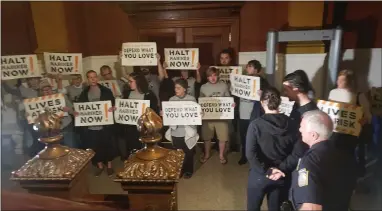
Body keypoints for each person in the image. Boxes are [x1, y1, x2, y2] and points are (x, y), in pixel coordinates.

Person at [270, 110, 357, 211]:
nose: (300, 129)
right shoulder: (344, 155)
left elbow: (311, 208)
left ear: (313, 135)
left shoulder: (309, 162)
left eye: (302, 127)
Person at [246, 87, 296, 211]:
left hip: (259, 175)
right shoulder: (292, 124)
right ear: (280, 102)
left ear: (262, 103)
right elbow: (296, 153)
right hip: (282, 175)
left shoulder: (255, 125)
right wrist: (280, 170)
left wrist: (267, 171)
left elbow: (250, 154)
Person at [328, 69, 372, 178]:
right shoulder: (333, 93)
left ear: (350, 82)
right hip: (335, 132)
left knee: (351, 158)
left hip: (352, 136)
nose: (339, 82)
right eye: (338, 79)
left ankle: (354, 180)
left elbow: (368, 116)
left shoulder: (359, 96)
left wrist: (363, 120)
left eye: (342, 80)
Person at [76, 70, 116, 177]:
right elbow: (80, 107)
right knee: (95, 146)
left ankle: (109, 166)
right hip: (91, 126)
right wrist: (77, 112)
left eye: (94, 77)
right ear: (87, 79)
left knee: (107, 144)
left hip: (105, 125)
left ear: (97, 78)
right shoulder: (84, 93)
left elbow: (113, 103)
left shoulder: (106, 91)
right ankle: (100, 166)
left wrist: (113, 108)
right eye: (90, 77)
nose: (93, 79)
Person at [164, 79, 199, 179]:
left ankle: (188, 170)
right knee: (178, 153)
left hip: (187, 131)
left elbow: (195, 114)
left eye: (178, 88)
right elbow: (169, 115)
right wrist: (165, 114)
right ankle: (180, 170)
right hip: (176, 131)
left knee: (188, 153)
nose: (176, 90)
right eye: (175, 87)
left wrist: (199, 113)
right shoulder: (171, 100)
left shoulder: (191, 99)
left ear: (184, 89)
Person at [120, 72, 159, 160]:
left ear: (138, 82)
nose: (129, 83)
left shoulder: (149, 95)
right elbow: (122, 109)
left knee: (144, 152)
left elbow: (154, 112)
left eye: (131, 81)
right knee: (132, 151)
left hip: (144, 130)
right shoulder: (126, 94)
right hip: (130, 129)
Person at [238, 60, 270, 165]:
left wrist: (263, 94)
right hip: (242, 113)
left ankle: (256, 157)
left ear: (256, 69)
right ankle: (244, 155)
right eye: (247, 66)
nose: (247, 68)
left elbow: (269, 97)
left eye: (250, 66)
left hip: (255, 114)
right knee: (243, 136)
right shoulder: (241, 80)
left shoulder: (263, 82)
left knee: (255, 136)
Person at [199, 67, 231, 164]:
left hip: (221, 117)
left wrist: (232, 104)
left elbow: (228, 99)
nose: (212, 78)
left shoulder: (224, 86)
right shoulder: (203, 87)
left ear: (217, 76)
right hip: (208, 117)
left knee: (223, 137)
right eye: (210, 76)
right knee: (207, 137)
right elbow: (200, 102)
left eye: (214, 75)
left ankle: (221, 155)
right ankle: (207, 154)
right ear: (207, 77)